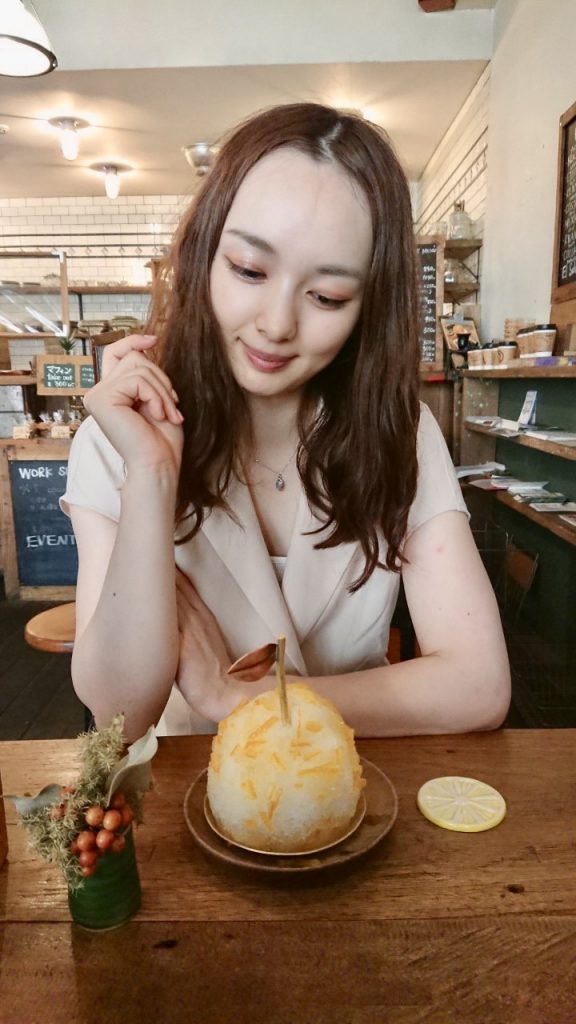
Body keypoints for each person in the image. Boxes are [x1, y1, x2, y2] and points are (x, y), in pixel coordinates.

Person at [61, 103, 510, 742]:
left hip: (353, 779)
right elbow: (118, 715)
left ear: (369, 307)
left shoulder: (399, 430)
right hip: (194, 789)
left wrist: (238, 699)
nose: (276, 324)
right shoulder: (122, 437)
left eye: (327, 296)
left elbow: (480, 685)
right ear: (204, 254)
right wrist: (152, 477)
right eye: (249, 269)